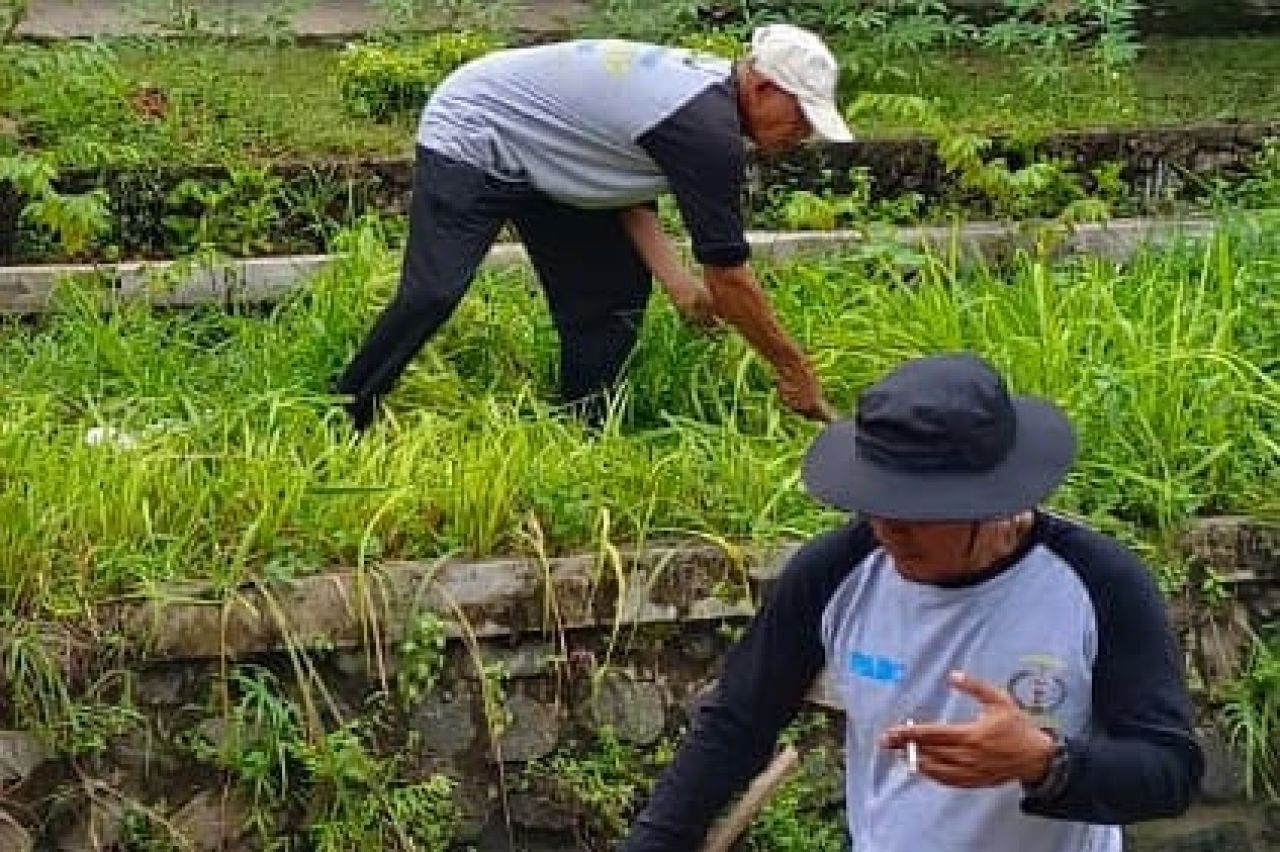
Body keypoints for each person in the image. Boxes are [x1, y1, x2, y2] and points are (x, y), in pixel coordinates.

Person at [621, 353, 1204, 852]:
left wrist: (1044, 763)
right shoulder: (836, 572)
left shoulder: (1097, 584)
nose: (889, 530)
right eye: (878, 503)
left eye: (920, 512)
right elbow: (736, 725)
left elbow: (1169, 772)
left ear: (993, 502)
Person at [335, 24, 851, 429]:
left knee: (611, 296)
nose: (802, 134)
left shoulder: (703, 104)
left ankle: (583, 425)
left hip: (550, 150)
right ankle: (346, 410)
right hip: (476, 125)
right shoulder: (705, 130)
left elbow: (614, 172)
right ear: (762, 87)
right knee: (434, 291)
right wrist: (793, 369)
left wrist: (675, 283)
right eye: (801, 117)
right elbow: (729, 277)